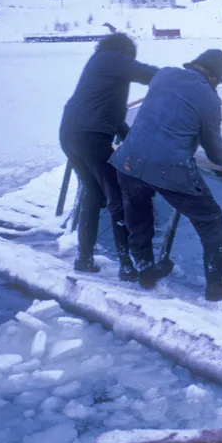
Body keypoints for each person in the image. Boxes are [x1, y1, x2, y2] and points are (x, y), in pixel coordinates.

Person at [110, 49, 222, 301]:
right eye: (218, 83)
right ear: (213, 78)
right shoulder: (210, 100)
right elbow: (215, 153)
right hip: (170, 168)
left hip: (129, 161)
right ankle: (216, 287)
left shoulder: (164, 74)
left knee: (138, 215)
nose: (217, 88)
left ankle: (145, 268)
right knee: (211, 221)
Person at [59, 33, 158, 279]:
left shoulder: (100, 64)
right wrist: (181, 79)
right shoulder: (112, 58)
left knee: (93, 195)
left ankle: (84, 259)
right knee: (118, 198)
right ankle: (126, 266)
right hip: (91, 136)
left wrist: (133, 139)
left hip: (71, 134)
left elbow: (111, 115)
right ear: (124, 50)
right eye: (131, 55)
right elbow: (150, 74)